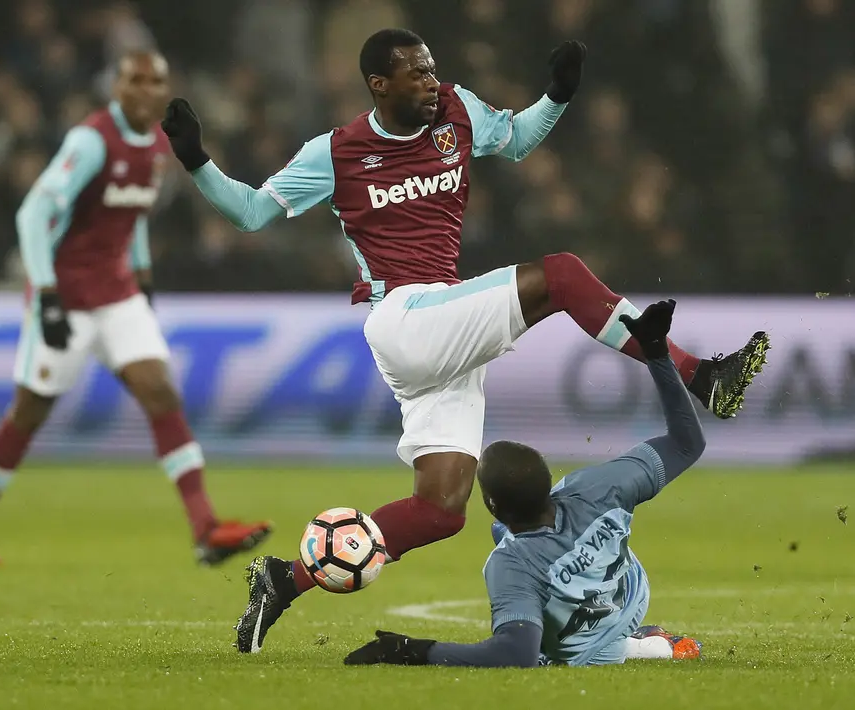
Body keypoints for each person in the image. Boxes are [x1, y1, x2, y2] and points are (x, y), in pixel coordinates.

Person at [160, 28, 770, 652]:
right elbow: (252, 212)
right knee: (559, 275)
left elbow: (519, 139)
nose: (431, 81)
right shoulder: (338, 152)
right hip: (404, 316)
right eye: (416, 74)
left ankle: (283, 582)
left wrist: (556, 95)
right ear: (379, 85)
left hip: (442, 332)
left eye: (431, 68)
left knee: (442, 508)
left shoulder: (456, 110)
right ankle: (700, 375)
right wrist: (196, 161)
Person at [0, 51, 273, 567]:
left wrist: (142, 279)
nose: (144, 90)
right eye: (134, 80)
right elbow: (34, 212)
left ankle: (207, 529)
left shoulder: (155, 146)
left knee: (161, 393)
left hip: (117, 295)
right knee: (29, 413)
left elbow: (131, 215)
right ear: (117, 87)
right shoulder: (92, 140)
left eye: (155, 81)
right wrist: (47, 294)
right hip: (68, 299)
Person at [342, 300, 734, 667]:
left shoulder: (510, 565)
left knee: (519, 560)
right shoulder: (598, 487)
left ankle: (643, 643)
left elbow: (516, 652)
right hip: (631, 594)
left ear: (492, 504)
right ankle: (631, 626)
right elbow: (687, 443)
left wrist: (410, 650)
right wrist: (657, 353)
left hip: (595, 648)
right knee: (520, 538)